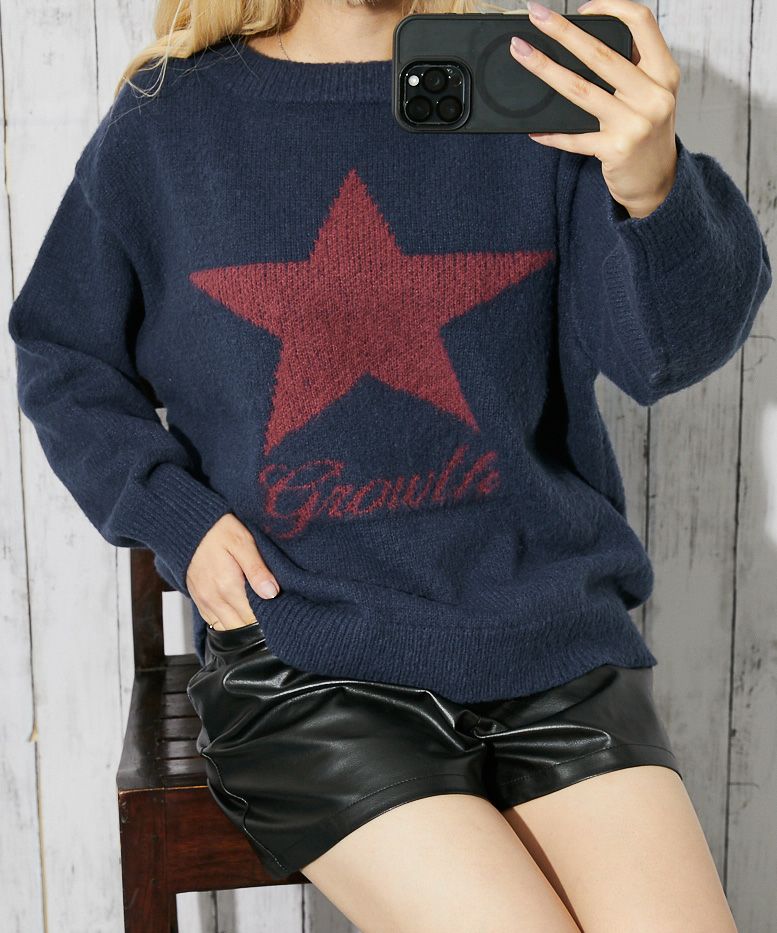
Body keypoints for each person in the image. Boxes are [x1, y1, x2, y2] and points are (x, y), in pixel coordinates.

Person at [8, 0, 770, 928]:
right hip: (307, 656)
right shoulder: (166, 123)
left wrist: (653, 186)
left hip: (550, 643)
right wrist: (178, 518)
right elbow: (64, 356)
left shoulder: (530, 92)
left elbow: (665, 355)